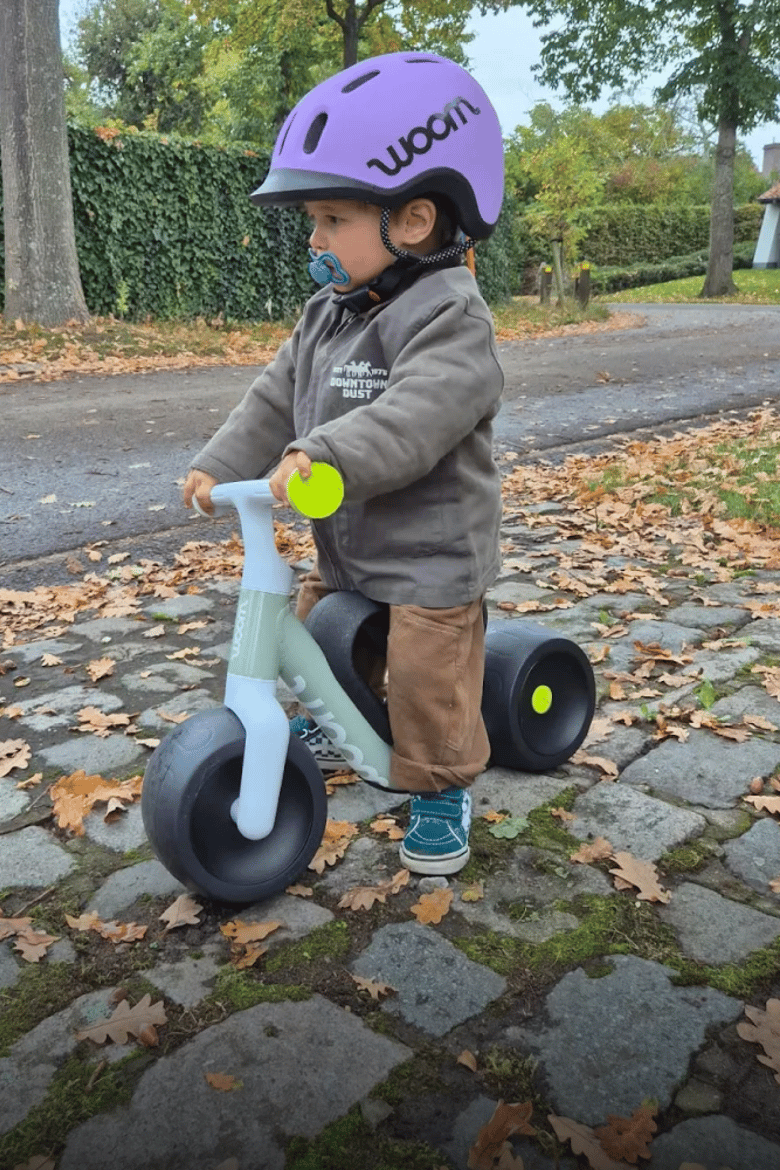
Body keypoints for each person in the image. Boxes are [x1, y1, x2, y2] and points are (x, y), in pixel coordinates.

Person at [182, 51, 505, 875]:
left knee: (426, 676)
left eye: (331, 219)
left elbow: (413, 419)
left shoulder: (451, 320)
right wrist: (221, 462)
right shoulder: (327, 313)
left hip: (432, 556)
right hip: (350, 544)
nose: (315, 239)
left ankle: (439, 785)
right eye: (314, 221)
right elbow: (273, 396)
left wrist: (318, 452)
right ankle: (345, 717)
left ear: (415, 220)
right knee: (322, 640)